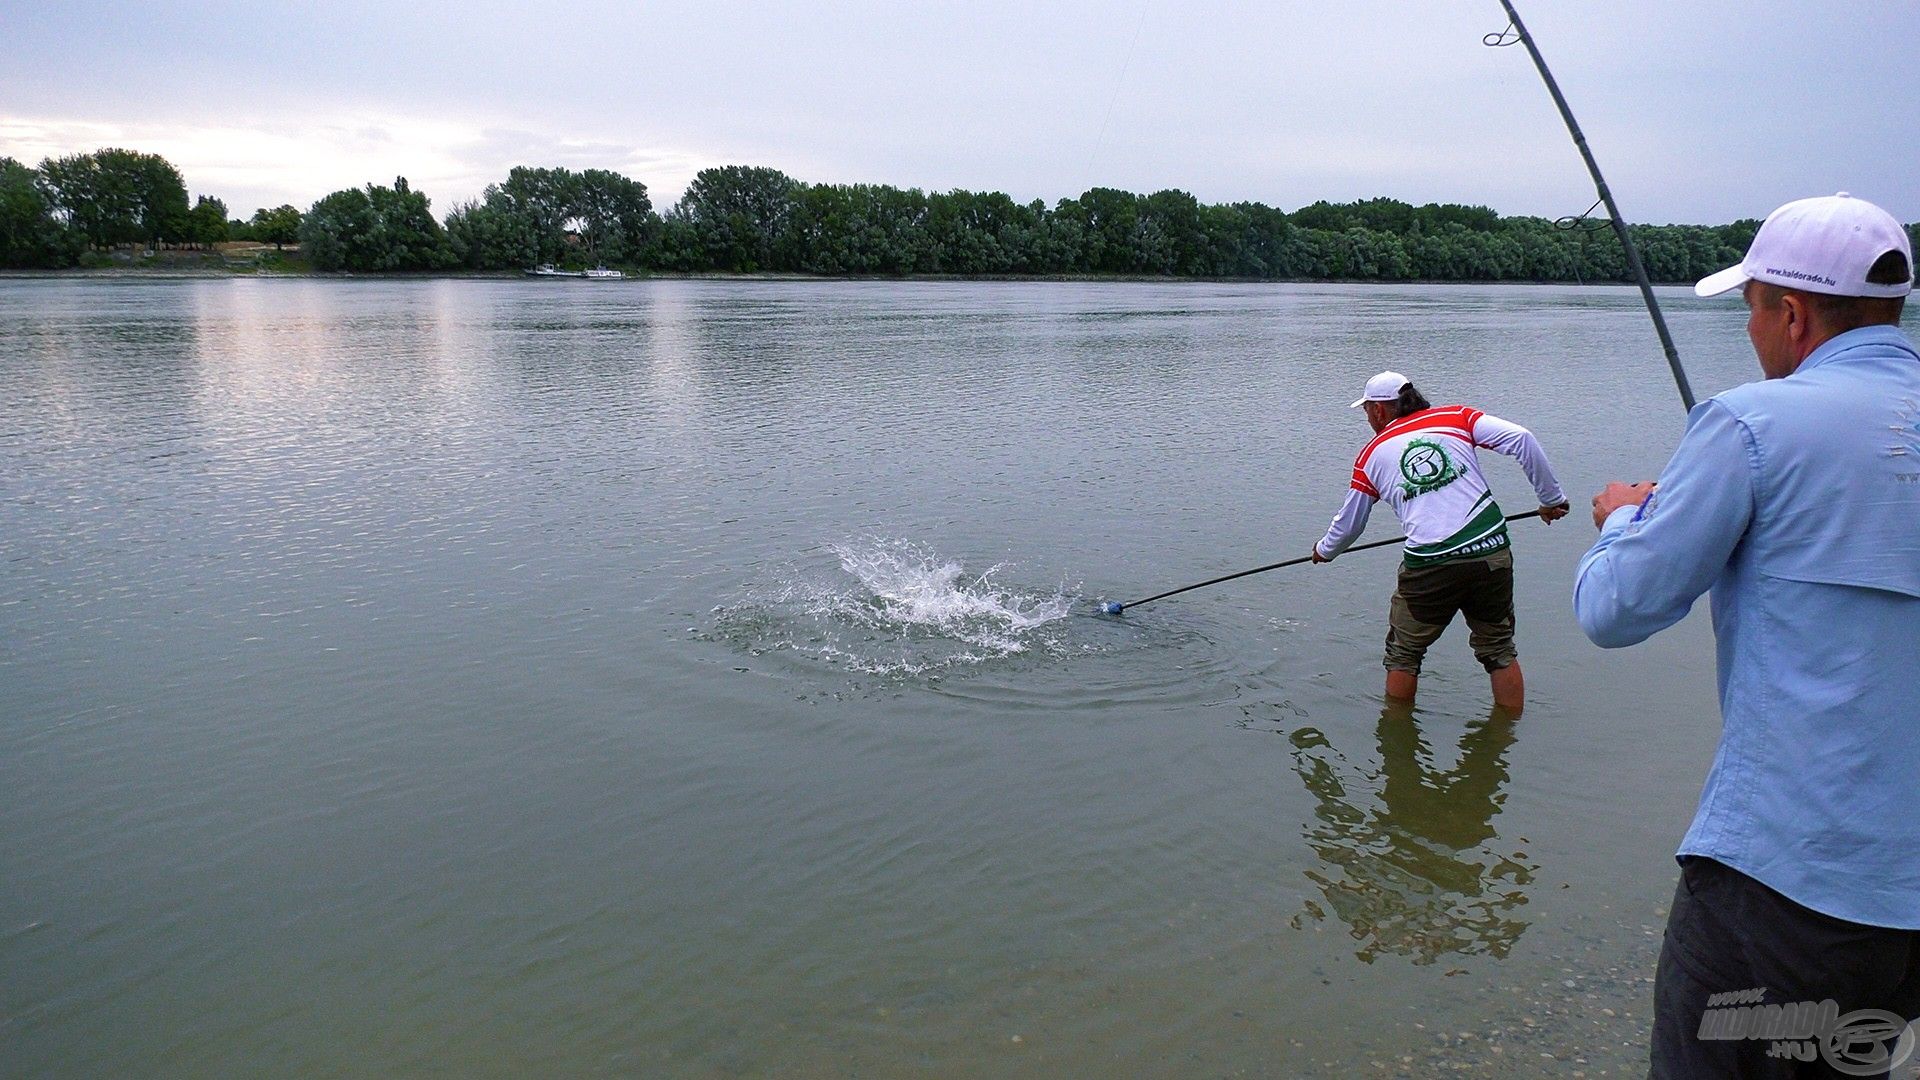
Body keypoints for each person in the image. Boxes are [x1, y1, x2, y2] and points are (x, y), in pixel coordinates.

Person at [1572, 192, 1920, 1078]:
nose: (1753, 330)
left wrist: (1623, 520)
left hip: (1794, 874)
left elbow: (1615, 610)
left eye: (1752, 307)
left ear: (1792, 314)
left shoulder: (1748, 423)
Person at [1312, 373, 1570, 712]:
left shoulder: (1371, 455)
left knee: (1404, 655)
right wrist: (1551, 498)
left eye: (1366, 411)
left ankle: (1398, 743)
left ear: (1377, 411)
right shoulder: (1456, 417)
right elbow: (1521, 438)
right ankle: (1509, 731)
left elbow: (1349, 527)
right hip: (1489, 552)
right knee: (1499, 650)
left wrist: (1324, 551)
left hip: (1430, 566)